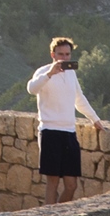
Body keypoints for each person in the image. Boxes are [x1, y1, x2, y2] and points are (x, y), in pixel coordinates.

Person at [26, 36, 104, 204]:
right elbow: (31, 89)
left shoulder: (71, 74)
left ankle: (60, 214)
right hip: (49, 132)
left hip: (69, 132)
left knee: (71, 185)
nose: (64, 58)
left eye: (67, 54)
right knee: (52, 182)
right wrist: (49, 74)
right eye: (60, 54)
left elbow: (79, 98)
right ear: (52, 54)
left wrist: (94, 119)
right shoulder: (43, 72)